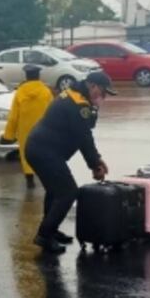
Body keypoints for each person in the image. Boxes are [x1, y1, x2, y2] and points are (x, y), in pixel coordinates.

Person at [25, 71, 116, 254]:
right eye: (103, 93)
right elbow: (84, 138)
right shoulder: (78, 104)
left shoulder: (75, 95)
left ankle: (51, 230)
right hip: (44, 151)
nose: (104, 97)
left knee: (55, 190)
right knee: (67, 192)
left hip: (40, 148)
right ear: (92, 86)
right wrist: (95, 164)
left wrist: (96, 159)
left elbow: (83, 133)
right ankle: (44, 235)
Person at [2, 65, 54, 189]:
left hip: (24, 129)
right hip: (43, 128)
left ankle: (29, 180)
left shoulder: (20, 92)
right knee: (43, 153)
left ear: (26, 76)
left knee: (26, 154)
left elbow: (13, 116)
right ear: (38, 76)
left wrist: (8, 135)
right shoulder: (46, 91)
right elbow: (52, 111)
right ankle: (45, 177)